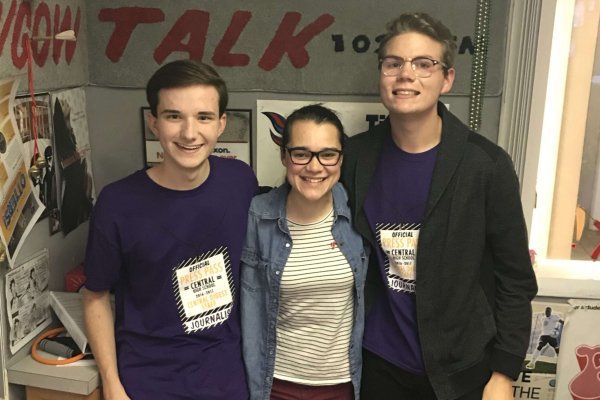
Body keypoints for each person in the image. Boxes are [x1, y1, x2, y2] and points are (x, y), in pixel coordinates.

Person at [340, 12, 538, 400]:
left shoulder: (485, 165)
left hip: (462, 370)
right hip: (379, 366)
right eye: (393, 63)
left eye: (423, 64)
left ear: (447, 79)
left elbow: (514, 278)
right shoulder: (356, 157)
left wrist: (504, 372)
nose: (406, 75)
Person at [82, 60, 257, 400]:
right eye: (174, 116)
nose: (189, 133)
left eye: (203, 117)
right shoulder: (117, 202)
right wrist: (112, 385)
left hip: (227, 380)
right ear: (154, 122)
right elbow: (95, 295)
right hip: (146, 383)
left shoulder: (241, 181)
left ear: (221, 124)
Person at [241, 105, 369, 400]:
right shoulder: (256, 218)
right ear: (284, 156)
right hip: (275, 385)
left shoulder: (358, 213)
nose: (314, 167)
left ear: (340, 158)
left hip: (343, 384)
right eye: (301, 154)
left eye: (327, 154)